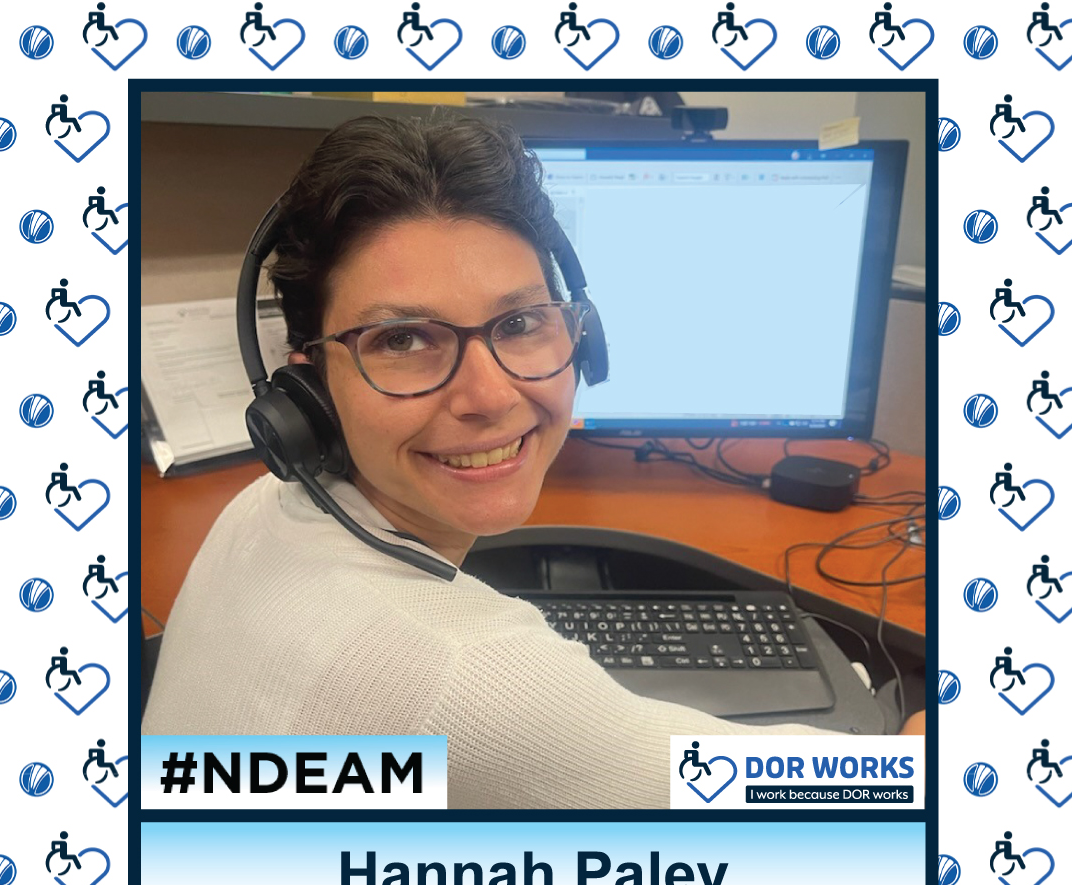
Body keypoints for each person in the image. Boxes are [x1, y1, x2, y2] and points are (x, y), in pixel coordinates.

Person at [142, 114, 923, 809]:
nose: (489, 396)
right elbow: (787, 793)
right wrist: (914, 757)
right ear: (306, 381)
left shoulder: (259, 512)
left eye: (520, 321)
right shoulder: (465, 675)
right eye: (403, 339)